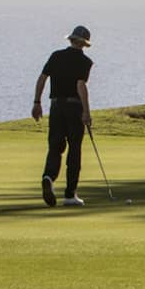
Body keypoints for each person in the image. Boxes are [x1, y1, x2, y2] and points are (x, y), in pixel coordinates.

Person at [31, 25, 94, 207]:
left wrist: (37, 103)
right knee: (74, 149)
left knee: (55, 146)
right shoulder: (85, 62)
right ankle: (69, 194)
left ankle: (48, 177)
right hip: (74, 108)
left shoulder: (56, 56)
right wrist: (86, 112)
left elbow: (42, 79)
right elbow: (80, 86)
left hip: (56, 106)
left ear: (72, 39)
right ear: (84, 43)